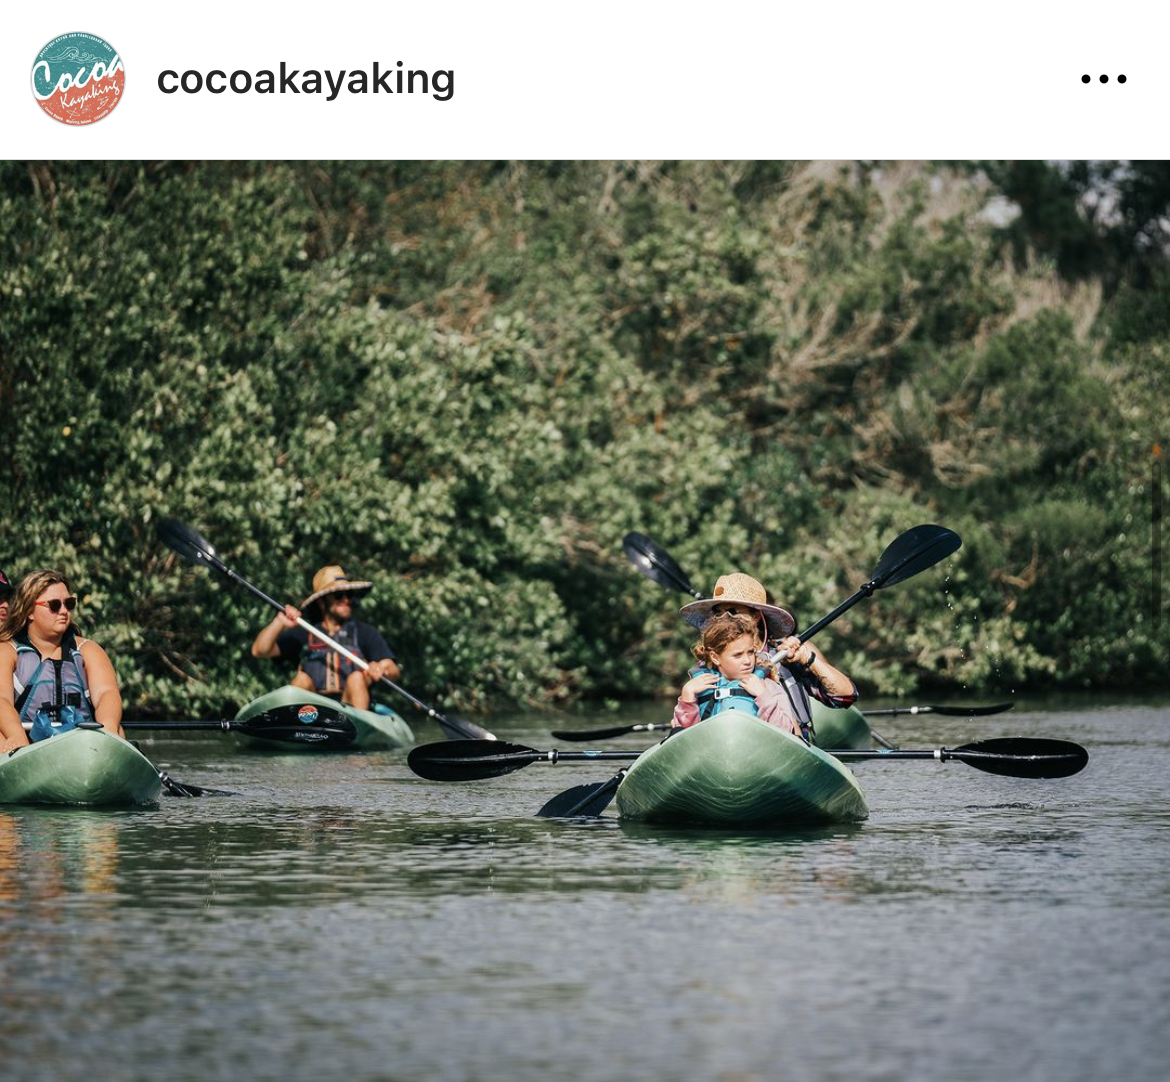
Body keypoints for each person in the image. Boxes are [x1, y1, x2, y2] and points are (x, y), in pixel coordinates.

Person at [678, 572, 858, 739]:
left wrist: (807, 658)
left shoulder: (786, 655)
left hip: (789, 744)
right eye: (718, 613)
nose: (724, 618)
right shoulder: (710, 664)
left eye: (732, 611)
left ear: (755, 616)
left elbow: (845, 697)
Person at [0, 569, 125, 752]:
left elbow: (107, 693)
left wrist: (108, 730)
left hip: (85, 749)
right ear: (29, 611)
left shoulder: (88, 650)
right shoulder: (7, 651)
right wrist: (16, 735)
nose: (64, 611)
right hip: (27, 748)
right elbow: (2, 699)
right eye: (54, 605)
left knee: (117, 730)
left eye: (69, 603)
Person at [250, 565, 400, 711]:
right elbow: (259, 651)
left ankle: (359, 725)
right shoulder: (304, 632)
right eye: (338, 595)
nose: (346, 600)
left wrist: (381, 668)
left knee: (356, 678)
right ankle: (297, 723)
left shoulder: (364, 632)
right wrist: (279, 622)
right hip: (314, 710)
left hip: (351, 708)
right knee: (301, 679)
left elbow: (392, 668)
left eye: (348, 594)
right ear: (322, 602)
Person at [673, 611, 805, 737]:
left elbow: (786, 732)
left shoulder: (768, 687)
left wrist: (763, 696)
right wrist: (687, 697)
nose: (747, 661)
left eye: (750, 652)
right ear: (715, 657)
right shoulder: (699, 688)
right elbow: (684, 741)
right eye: (738, 655)